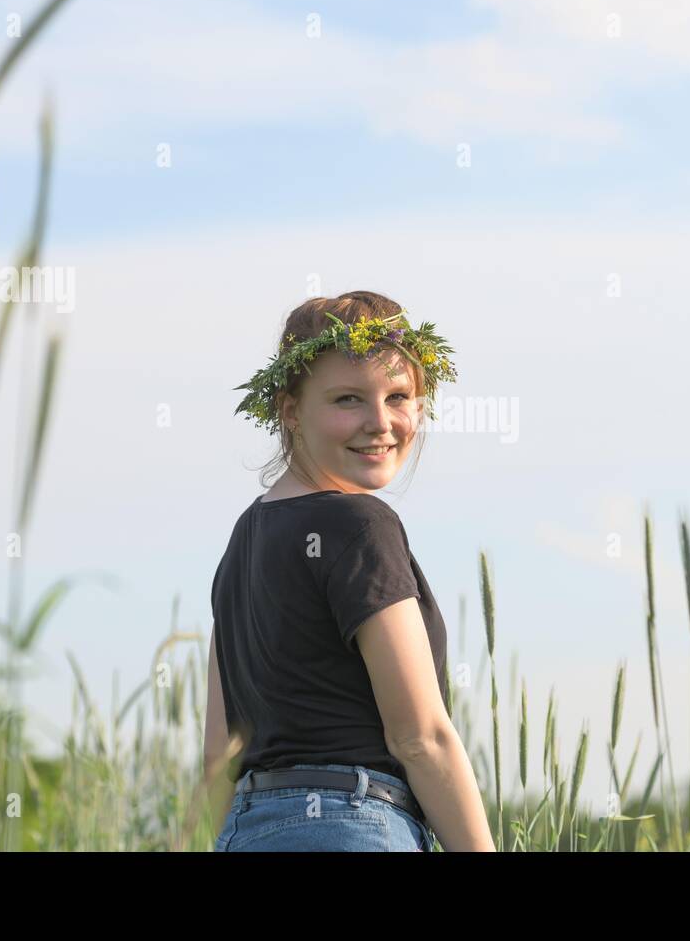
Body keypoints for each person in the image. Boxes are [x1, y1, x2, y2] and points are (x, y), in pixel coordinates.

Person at [205, 291, 494, 851]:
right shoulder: (359, 526)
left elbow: (221, 758)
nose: (380, 422)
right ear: (291, 410)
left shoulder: (242, 543)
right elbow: (421, 738)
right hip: (352, 826)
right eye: (348, 399)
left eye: (399, 396)